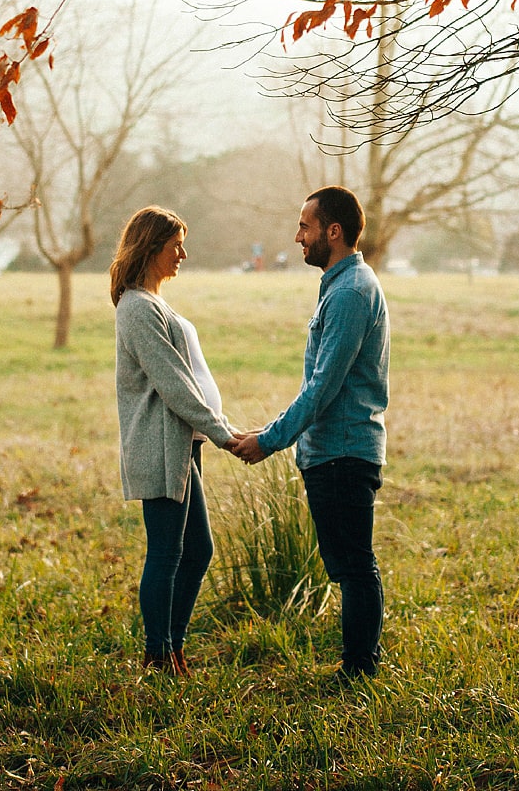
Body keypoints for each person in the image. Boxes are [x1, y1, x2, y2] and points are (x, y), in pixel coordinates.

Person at [228, 184, 391, 680]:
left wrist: (270, 439)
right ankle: (359, 664)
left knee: (354, 567)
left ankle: (359, 670)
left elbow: (322, 386)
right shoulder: (342, 287)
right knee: (349, 565)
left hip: (343, 452)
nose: (298, 236)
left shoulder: (349, 294)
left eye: (305, 226)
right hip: (331, 450)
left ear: (333, 231)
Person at [110, 205, 242, 675]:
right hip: (161, 446)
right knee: (167, 552)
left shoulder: (153, 303)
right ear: (151, 248)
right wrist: (224, 434)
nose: (183, 254)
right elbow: (174, 383)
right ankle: (159, 654)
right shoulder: (137, 307)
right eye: (175, 245)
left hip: (183, 445)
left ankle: (172, 646)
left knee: (198, 549)